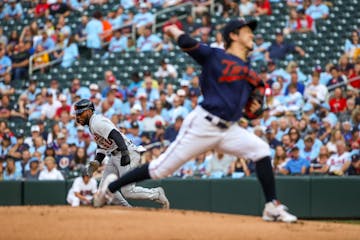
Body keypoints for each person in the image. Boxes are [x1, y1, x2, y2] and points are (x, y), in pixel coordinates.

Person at [94, 19, 297, 222]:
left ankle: (271, 206)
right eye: (246, 31)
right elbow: (189, 43)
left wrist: (255, 110)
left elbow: (249, 111)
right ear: (233, 36)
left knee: (261, 150)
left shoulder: (248, 72)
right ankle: (110, 188)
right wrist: (173, 30)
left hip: (228, 130)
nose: (252, 35)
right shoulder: (216, 56)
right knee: (160, 169)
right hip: (203, 124)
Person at [74, 99, 169, 208]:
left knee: (128, 191)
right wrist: (97, 161)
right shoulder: (92, 124)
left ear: (89, 111)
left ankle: (156, 194)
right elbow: (102, 145)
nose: (78, 116)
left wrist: (125, 153)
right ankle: (127, 209)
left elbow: (116, 135)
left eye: (81, 113)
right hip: (114, 155)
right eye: (77, 114)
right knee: (104, 189)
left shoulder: (97, 122)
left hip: (127, 152)